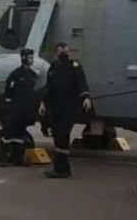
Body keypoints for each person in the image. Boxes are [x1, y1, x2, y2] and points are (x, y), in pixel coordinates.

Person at [40, 42, 92, 179]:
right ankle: (60, 168)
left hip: (68, 108)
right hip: (55, 108)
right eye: (60, 50)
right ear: (56, 52)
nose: (63, 52)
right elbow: (49, 87)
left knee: (63, 136)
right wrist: (43, 102)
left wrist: (86, 97)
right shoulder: (53, 67)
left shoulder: (74, 66)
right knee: (57, 137)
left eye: (65, 50)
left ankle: (62, 169)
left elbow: (82, 82)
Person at [0, 48, 39, 167]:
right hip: (16, 108)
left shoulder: (32, 75)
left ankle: (18, 158)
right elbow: (9, 88)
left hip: (26, 109)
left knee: (21, 134)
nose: (32, 60)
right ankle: (3, 158)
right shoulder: (16, 74)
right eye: (30, 57)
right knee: (9, 133)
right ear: (24, 58)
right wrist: (9, 102)